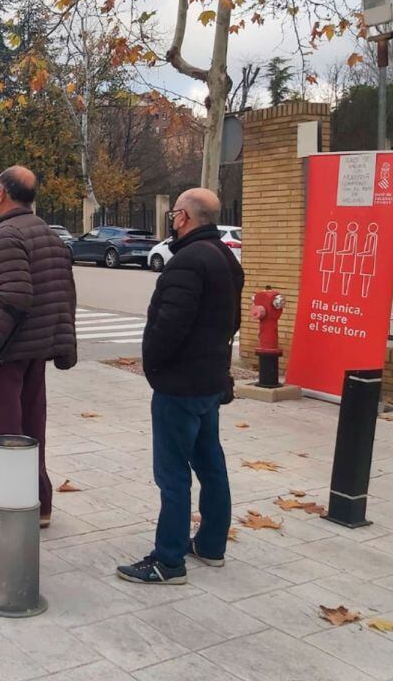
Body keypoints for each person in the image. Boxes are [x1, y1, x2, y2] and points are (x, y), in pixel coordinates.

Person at [117, 188, 244, 585]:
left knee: (172, 474)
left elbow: (168, 326)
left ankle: (168, 560)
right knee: (211, 465)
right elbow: (233, 322)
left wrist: (154, 366)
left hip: (181, 386)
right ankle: (211, 545)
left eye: (174, 213)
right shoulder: (225, 257)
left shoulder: (187, 261)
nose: (172, 219)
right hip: (209, 382)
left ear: (185, 217)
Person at [0, 166, 77, 535]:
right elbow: (62, 294)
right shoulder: (46, 233)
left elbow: (14, 297)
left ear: (1, 193)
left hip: (3, 355)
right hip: (32, 351)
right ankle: (37, 505)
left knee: (3, 434)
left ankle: (9, 515)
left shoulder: (6, 235)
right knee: (29, 428)